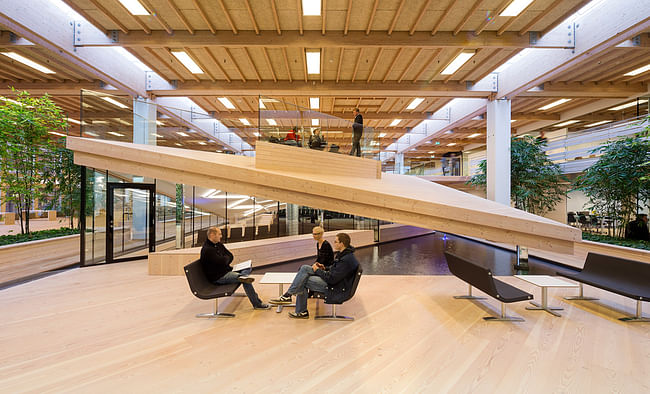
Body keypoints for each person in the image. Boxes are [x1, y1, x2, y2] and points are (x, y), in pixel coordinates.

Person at [270, 232, 359, 319]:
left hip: (335, 288)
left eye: (335, 242)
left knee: (303, 280)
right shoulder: (345, 255)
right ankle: (290, 299)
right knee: (305, 269)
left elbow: (332, 279)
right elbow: (335, 271)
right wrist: (324, 268)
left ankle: (295, 304)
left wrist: (318, 271)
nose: (334, 244)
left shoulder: (346, 260)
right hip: (335, 283)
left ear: (342, 244)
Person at [200, 226, 270, 309]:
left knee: (248, 267)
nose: (221, 236)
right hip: (219, 277)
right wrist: (225, 259)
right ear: (212, 235)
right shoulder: (207, 249)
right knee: (246, 281)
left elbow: (230, 256)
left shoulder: (218, 244)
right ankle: (257, 304)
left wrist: (225, 259)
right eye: (219, 234)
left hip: (227, 270)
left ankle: (242, 276)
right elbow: (223, 261)